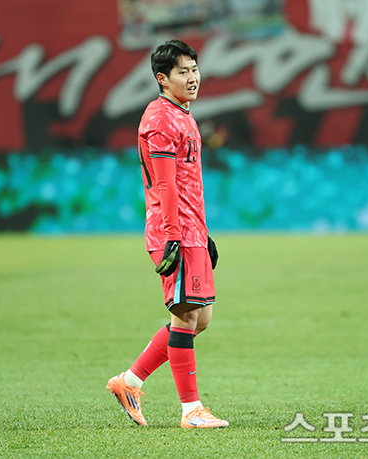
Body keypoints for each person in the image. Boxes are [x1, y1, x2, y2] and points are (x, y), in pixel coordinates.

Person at [105, 40, 228, 428]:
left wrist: (203, 233)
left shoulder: (184, 115)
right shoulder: (159, 119)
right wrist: (173, 235)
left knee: (199, 318)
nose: (192, 78)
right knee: (187, 315)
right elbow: (165, 184)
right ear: (162, 78)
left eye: (194, 69)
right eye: (182, 72)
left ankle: (129, 382)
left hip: (192, 230)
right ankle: (191, 410)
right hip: (173, 231)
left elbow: (190, 184)